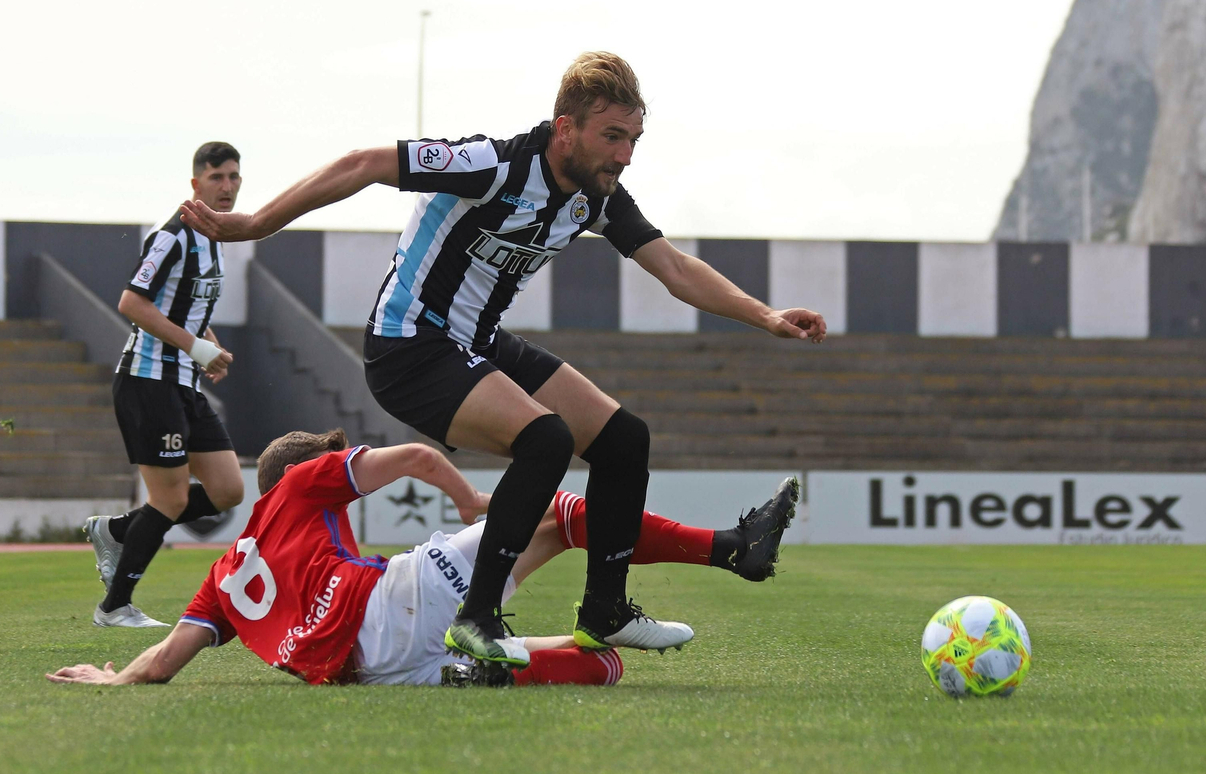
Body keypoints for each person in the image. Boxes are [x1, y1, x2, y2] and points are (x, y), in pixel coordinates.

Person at [179, 53, 825, 667]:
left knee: (625, 440)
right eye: (613, 136)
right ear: (566, 128)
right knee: (546, 440)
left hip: (477, 342)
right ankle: (477, 616)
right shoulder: (492, 165)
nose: (625, 155)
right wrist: (255, 223)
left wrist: (765, 316)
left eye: (634, 138)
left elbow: (675, 268)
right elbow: (365, 162)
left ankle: (605, 608)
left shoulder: (595, 196)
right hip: (410, 346)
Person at [47, 429, 799, 688]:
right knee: (563, 512)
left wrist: (111, 679)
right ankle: (733, 549)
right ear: (305, 473)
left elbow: (164, 661)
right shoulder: (295, 488)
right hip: (390, 602)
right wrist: (474, 504)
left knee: (601, 666)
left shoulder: (220, 577)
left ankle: (562, 645)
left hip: (370, 669)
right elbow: (411, 455)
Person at [83, 142, 248, 628]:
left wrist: (208, 345)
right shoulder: (172, 234)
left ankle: (116, 530)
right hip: (147, 381)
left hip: (183, 383)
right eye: (217, 177)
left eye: (234, 177)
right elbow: (132, 303)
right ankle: (115, 607)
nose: (227, 186)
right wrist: (197, 349)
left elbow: (186, 309)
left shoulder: (214, 238)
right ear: (195, 183)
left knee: (227, 490)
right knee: (171, 499)